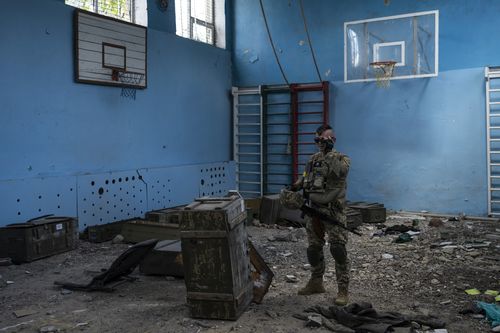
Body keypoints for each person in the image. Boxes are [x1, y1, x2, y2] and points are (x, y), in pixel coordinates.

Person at [291, 124, 351, 306]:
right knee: (313, 249)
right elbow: (305, 178)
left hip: (333, 212)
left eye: (323, 140)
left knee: (338, 250)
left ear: (333, 140)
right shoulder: (312, 159)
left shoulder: (342, 158)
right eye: (317, 140)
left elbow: (341, 172)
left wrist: (330, 153)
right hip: (314, 211)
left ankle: (343, 290)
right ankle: (316, 282)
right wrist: (295, 186)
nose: (320, 143)